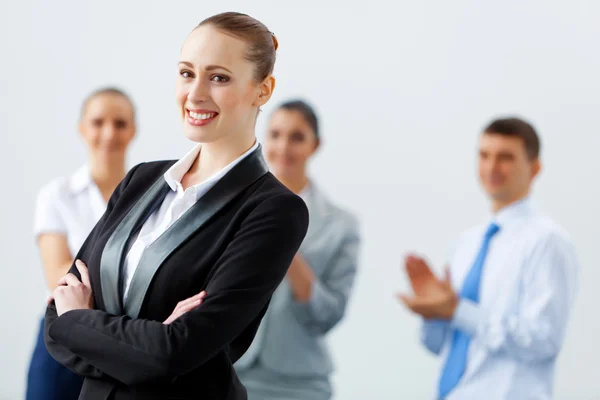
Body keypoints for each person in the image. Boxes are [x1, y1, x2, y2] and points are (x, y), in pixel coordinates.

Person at [43, 12, 309, 400]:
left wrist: (81, 321)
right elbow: (55, 322)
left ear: (263, 90)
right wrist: (145, 346)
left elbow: (171, 354)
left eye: (218, 77)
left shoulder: (274, 211)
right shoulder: (141, 181)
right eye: (187, 73)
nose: (196, 94)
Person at [399, 117, 579, 400]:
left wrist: (458, 311)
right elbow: (439, 347)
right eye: (484, 155)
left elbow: (544, 339)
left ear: (535, 168)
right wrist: (434, 314)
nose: (491, 167)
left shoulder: (547, 242)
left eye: (505, 157)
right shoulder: (466, 243)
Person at [235, 100, 361, 400]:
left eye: (297, 137)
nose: (284, 146)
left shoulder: (341, 225)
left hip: (299, 383)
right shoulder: (234, 207)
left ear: (315, 146)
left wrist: (287, 247)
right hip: (230, 370)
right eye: (276, 134)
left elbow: (328, 315)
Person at [26, 87, 136, 400]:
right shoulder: (56, 195)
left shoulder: (149, 197)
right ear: (82, 129)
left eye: (120, 123)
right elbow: (59, 277)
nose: (108, 133)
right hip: (62, 338)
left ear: (133, 130)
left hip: (123, 341)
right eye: (98, 122)